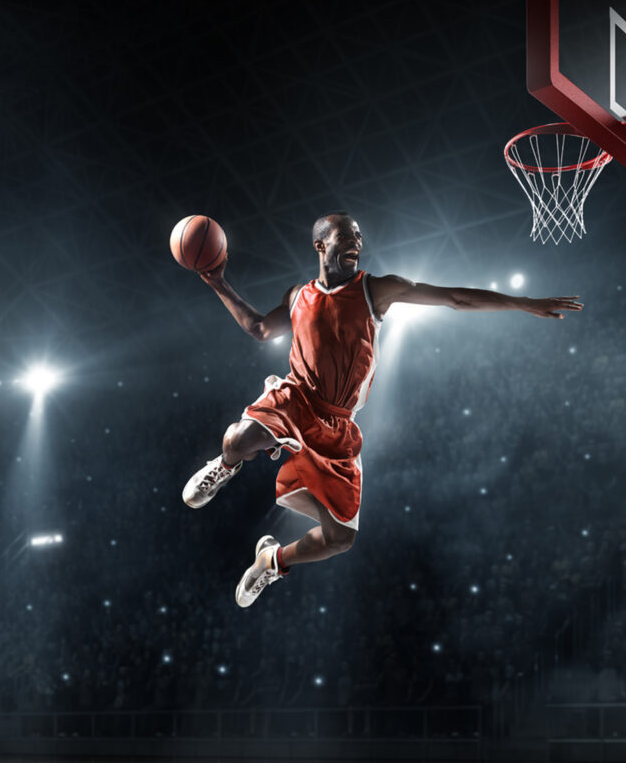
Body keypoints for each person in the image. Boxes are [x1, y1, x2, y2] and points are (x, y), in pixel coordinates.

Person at [182, 212, 583, 606]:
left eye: (358, 236)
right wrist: (218, 283)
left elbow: (455, 298)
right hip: (297, 396)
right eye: (345, 235)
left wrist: (523, 303)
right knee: (239, 439)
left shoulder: (376, 289)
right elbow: (260, 329)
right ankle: (224, 467)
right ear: (321, 245)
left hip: (338, 423)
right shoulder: (298, 296)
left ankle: (271, 561)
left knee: (340, 539)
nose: (356, 242)